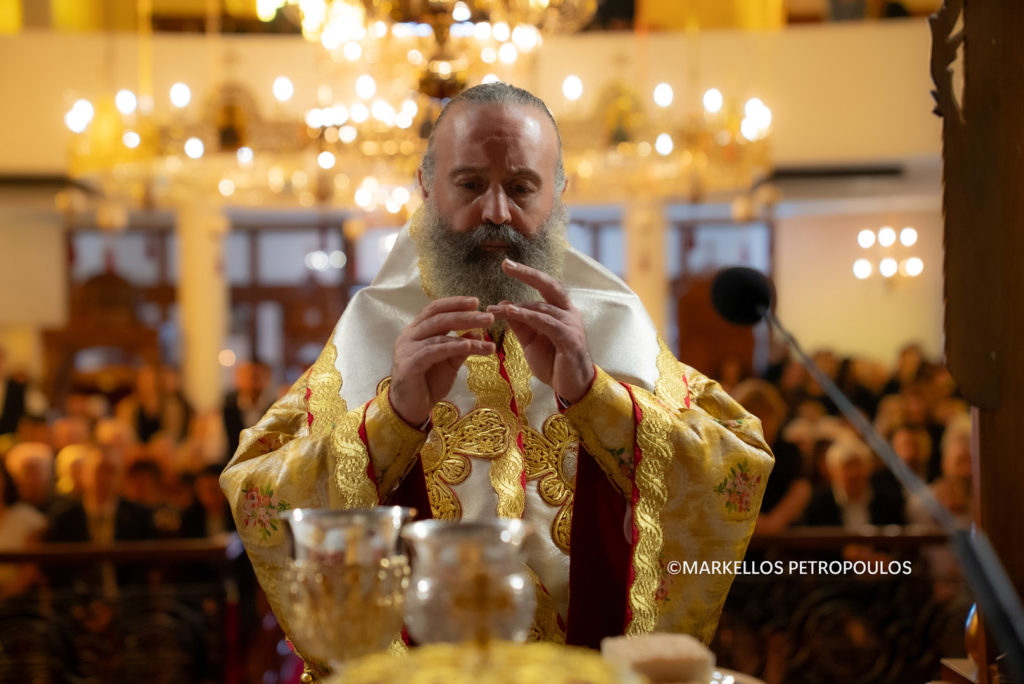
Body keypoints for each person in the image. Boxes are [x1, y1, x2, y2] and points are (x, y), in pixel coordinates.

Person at [220, 83, 772, 656]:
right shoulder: (374, 324)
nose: (495, 211)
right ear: (427, 187)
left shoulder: (613, 319)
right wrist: (392, 417)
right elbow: (258, 488)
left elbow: (735, 463)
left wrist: (595, 396)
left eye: (521, 187)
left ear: (558, 195)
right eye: (470, 184)